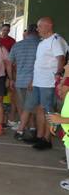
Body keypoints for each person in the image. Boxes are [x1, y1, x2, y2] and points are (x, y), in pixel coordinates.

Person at [25, 17, 68, 150]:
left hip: (48, 82)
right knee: (39, 108)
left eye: (39, 26)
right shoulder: (44, 41)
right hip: (39, 81)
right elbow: (39, 62)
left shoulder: (56, 40)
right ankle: (39, 136)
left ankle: (47, 139)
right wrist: (33, 80)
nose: (37, 29)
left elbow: (61, 58)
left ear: (48, 26)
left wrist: (57, 75)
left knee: (48, 110)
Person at [10, 24, 40, 141]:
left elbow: (9, 62)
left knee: (25, 107)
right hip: (35, 82)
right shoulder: (41, 45)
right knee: (32, 108)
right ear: (37, 32)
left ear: (27, 32)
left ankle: (31, 128)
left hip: (20, 81)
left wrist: (11, 78)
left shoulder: (17, 45)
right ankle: (23, 130)